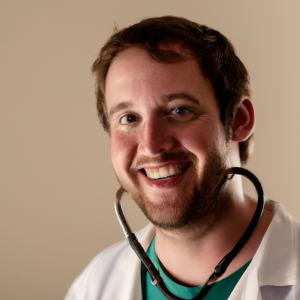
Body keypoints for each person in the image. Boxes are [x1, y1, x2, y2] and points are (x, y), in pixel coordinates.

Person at [65, 16, 300, 300]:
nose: (151, 146)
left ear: (238, 120)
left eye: (179, 111)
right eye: (129, 118)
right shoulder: (96, 285)